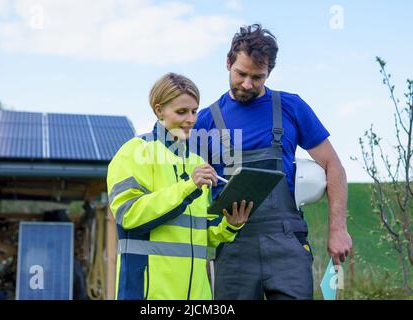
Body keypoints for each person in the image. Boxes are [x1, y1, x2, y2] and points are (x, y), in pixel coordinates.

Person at [193, 24, 353, 300]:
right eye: (240, 74)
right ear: (228, 62)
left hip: (286, 242)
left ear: (269, 72)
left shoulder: (290, 107)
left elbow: (333, 165)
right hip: (233, 245)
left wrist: (338, 229)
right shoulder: (205, 122)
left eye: (258, 77)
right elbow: (188, 183)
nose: (247, 84)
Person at [106, 73, 253, 300]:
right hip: (147, 295)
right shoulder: (135, 152)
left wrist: (230, 225)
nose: (191, 119)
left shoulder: (196, 162)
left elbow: (202, 234)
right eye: (182, 112)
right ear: (158, 110)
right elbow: (128, 215)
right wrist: (187, 187)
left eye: (194, 111)